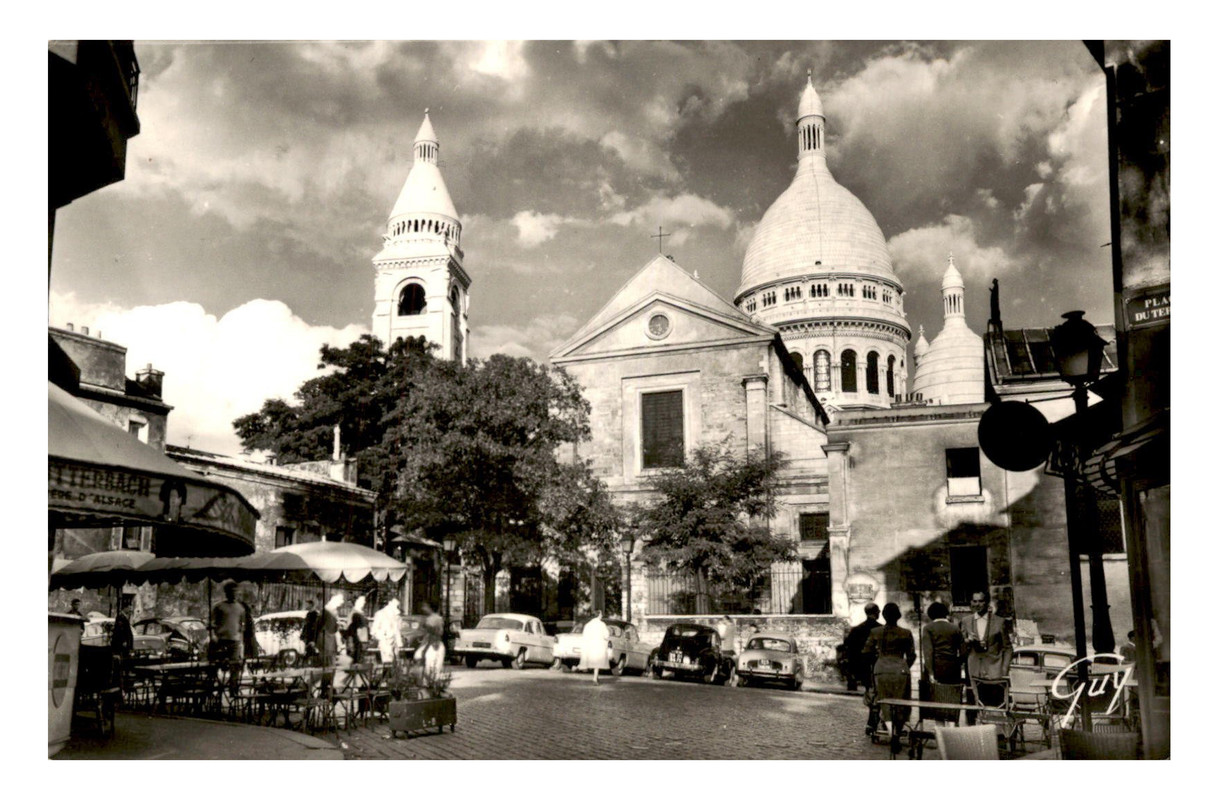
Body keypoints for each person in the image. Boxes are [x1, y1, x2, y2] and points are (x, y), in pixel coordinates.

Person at [862, 603, 916, 747]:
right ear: (898, 616)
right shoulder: (906, 633)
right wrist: (903, 666)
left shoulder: (875, 632)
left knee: (884, 701)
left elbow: (866, 652)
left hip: (881, 670)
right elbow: (911, 655)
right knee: (901, 701)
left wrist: (878, 660)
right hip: (901, 671)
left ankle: (892, 732)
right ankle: (897, 731)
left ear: (884, 616)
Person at [209, 581, 246, 691]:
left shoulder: (240, 608)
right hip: (220, 640)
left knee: (235, 666)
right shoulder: (219, 607)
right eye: (231, 591)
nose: (233, 594)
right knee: (214, 665)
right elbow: (211, 624)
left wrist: (241, 642)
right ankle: (211, 687)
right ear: (226, 593)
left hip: (234, 641)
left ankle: (233, 690)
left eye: (235, 591)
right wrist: (213, 636)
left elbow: (241, 627)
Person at [921, 601, 965, 685]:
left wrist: (930, 673)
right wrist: (956, 663)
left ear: (931, 614)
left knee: (934, 695)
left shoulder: (928, 628)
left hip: (936, 668)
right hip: (953, 669)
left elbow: (928, 653)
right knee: (952, 695)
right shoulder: (955, 628)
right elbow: (963, 652)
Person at [843, 603, 881, 692]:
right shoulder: (881, 629)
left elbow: (849, 648)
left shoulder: (857, 629)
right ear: (876, 612)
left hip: (861, 664)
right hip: (876, 663)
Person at [578, 611, 611, 685]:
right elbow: (606, 635)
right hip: (598, 645)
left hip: (590, 645)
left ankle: (596, 677)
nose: (602, 615)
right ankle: (595, 678)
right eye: (601, 614)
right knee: (597, 662)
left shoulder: (588, 625)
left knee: (593, 661)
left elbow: (584, 636)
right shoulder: (602, 624)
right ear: (598, 615)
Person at [371, 599, 403, 664]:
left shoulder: (397, 615)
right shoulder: (380, 614)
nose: (396, 606)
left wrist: (399, 643)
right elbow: (373, 630)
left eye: (397, 605)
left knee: (394, 664)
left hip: (394, 643)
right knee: (387, 662)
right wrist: (383, 637)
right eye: (395, 604)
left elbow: (397, 630)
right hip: (385, 642)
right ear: (389, 602)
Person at [319, 592, 344, 666]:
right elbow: (319, 627)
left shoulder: (334, 611)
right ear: (334, 598)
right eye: (340, 599)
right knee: (328, 668)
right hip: (327, 644)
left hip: (331, 644)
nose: (342, 602)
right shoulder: (326, 611)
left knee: (330, 668)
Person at [345, 595, 369, 662]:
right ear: (356, 601)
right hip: (357, 641)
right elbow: (350, 629)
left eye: (364, 601)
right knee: (355, 660)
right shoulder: (353, 613)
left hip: (363, 641)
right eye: (362, 600)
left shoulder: (362, 613)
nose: (364, 602)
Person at [112, 593, 135, 658]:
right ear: (125, 608)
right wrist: (123, 640)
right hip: (122, 643)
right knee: (123, 658)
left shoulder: (125, 617)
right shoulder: (120, 617)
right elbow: (119, 631)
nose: (130, 610)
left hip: (126, 643)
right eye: (129, 608)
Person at [302, 598, 320, 664]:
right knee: (308, 649)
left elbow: (316, 627)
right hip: (308, 635)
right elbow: (306, 625)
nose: (306, 605)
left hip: (312, 635)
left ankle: (315, 662)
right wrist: (303, 634)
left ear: (311, 605)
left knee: (313, 649)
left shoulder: (315, 614)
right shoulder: (308, 614)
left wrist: (314, 638)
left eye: (308, 604)